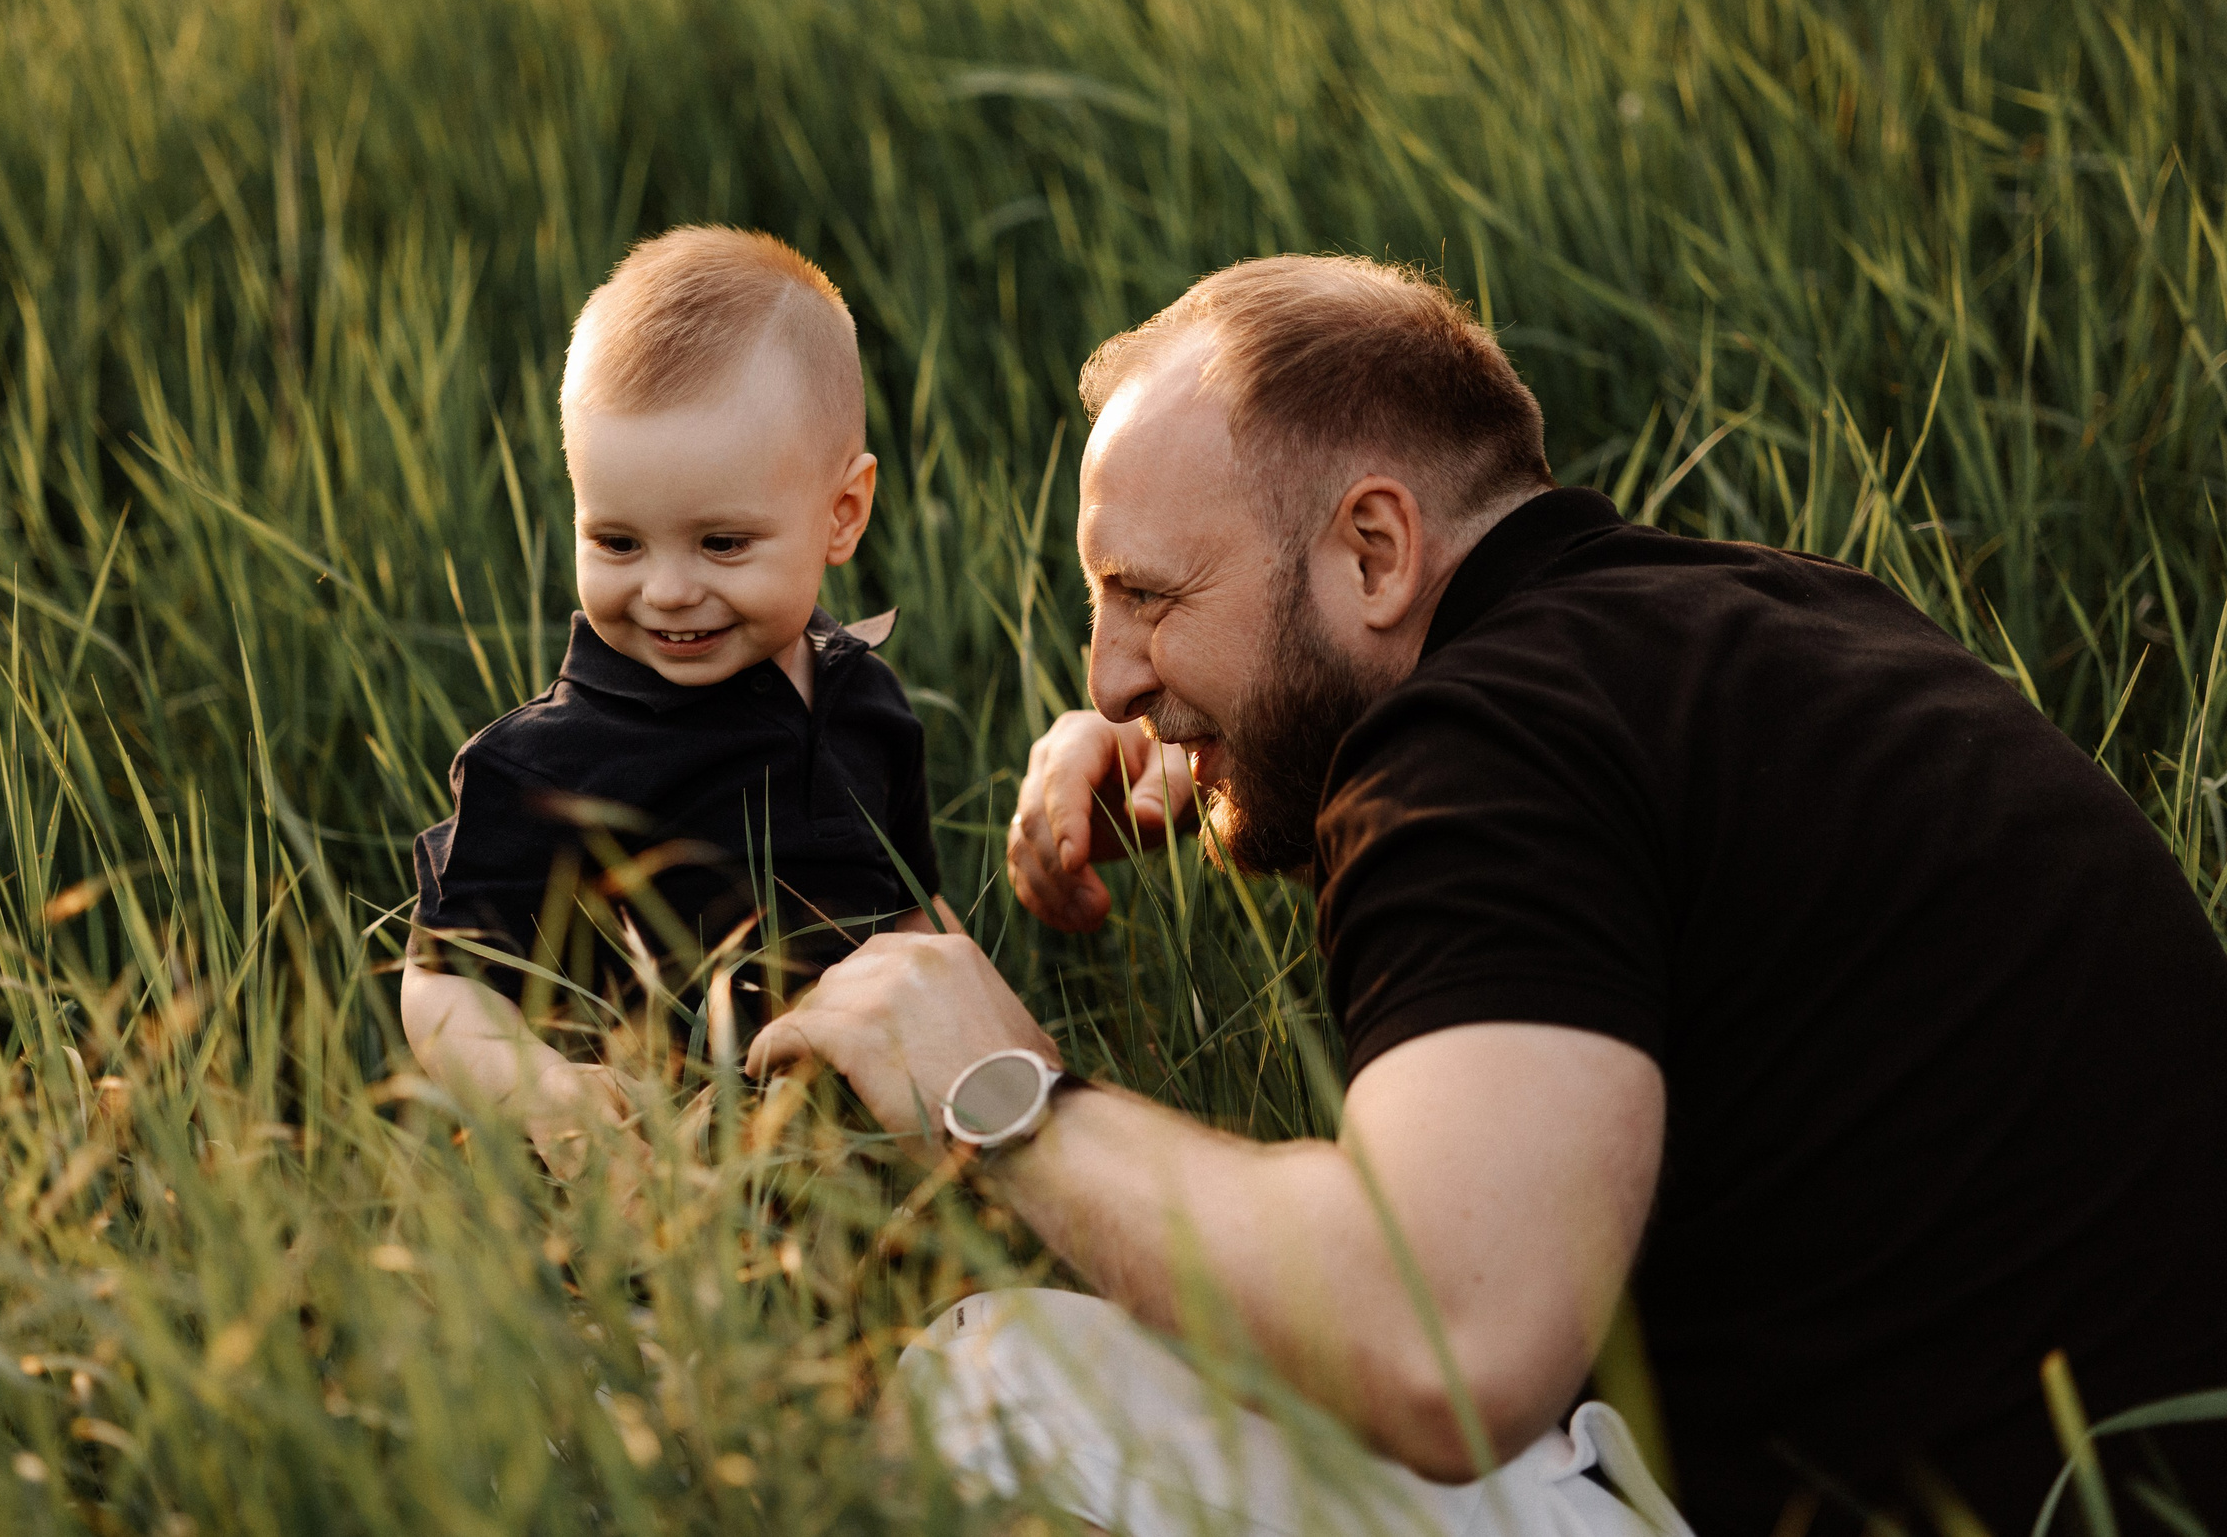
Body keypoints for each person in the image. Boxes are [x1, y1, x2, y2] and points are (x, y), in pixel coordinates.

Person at [748, 255, 2227, 1536]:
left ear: (1376, 548)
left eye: (1149, 595)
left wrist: (1006, 1091)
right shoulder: (1771, 628)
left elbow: (1445, 1343)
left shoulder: (1487, 740)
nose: (1110, 675)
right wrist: (1250, 765)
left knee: (1000, 1376)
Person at [403, 227, 938, 1168]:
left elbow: (912, 920)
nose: (667, 589)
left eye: (722, 543)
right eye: (618, 542)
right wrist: (545, 1092)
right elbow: (440, 982)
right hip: (639, 1182)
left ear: (842, 513)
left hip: (859, 1175)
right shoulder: (546, 763)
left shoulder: (865, 705)